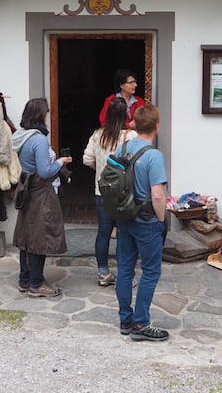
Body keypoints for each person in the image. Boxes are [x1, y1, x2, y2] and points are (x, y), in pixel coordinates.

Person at [115, 104, 169, 342]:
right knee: (150, 271)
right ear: (157, 126)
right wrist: (162, 220)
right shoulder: (153, 155)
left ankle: (125, 319)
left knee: (125, 269)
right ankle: (141, 323)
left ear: (136, 124)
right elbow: (157, 194)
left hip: (125, 216)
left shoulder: (122, 148)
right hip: (146, 220)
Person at [11, 97, 71, 298]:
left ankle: (24, 279)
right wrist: (61, 162)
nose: (48, 115)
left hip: (27, 191)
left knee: (27, 237)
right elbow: (45, 172)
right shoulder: (38, 140)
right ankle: (36, 283)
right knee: (39, 237)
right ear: (40, 115)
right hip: (40, 193)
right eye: (46, 111)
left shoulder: (22, 136)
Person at [83, 97, 138, 287]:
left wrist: (101, 170)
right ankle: (125, 275)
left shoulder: (98, 135)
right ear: (126, 115)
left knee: (103, 233)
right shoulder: (130, 137)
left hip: (102, 191)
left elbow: (87, 159)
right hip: (124, 193)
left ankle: (103, 273)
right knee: (124, 233)